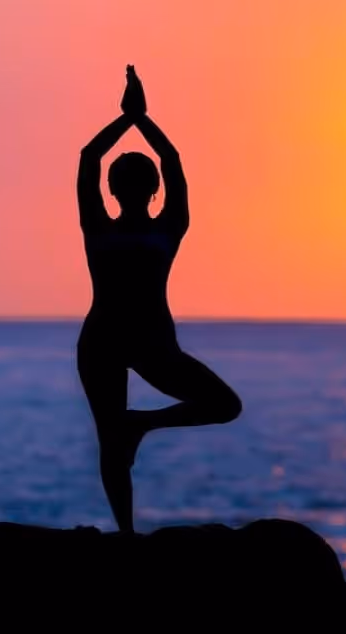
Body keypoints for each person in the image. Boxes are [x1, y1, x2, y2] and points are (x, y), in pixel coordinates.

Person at [76, 65, 242, 533]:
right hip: (107, 342)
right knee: (111, 437)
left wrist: (131, 118)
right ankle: (126, 533)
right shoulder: (117, 228)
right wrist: (139, 117)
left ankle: (140, 426)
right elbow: (163, 161)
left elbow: (95, 156)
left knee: (220, 405)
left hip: (149, 344)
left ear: (142, 189)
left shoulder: (149, 227)